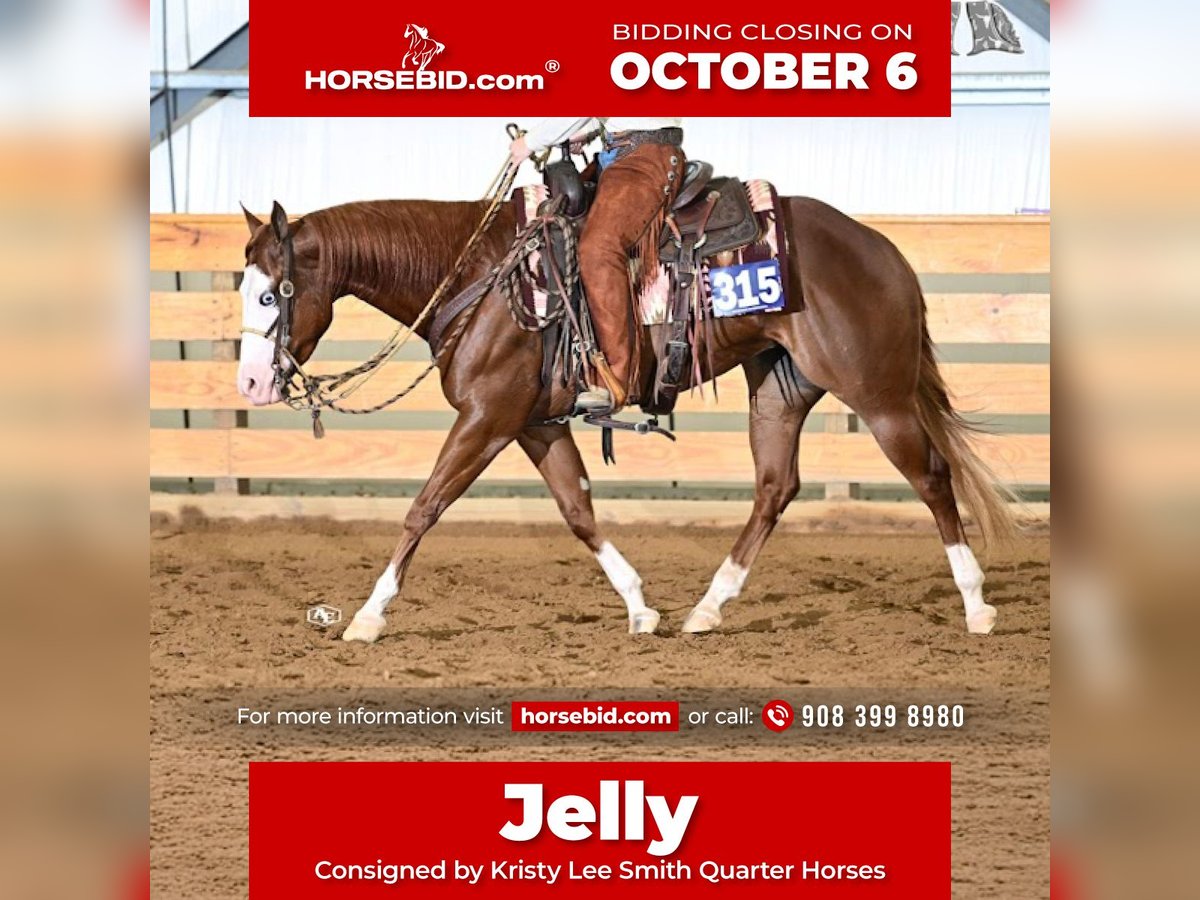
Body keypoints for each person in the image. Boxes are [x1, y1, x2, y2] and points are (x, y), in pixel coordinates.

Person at [510, 118, 685, 412]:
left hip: (643, 159)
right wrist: (594, 132)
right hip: (620, 153)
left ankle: (614, 378)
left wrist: (529, 143)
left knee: (598, 251)